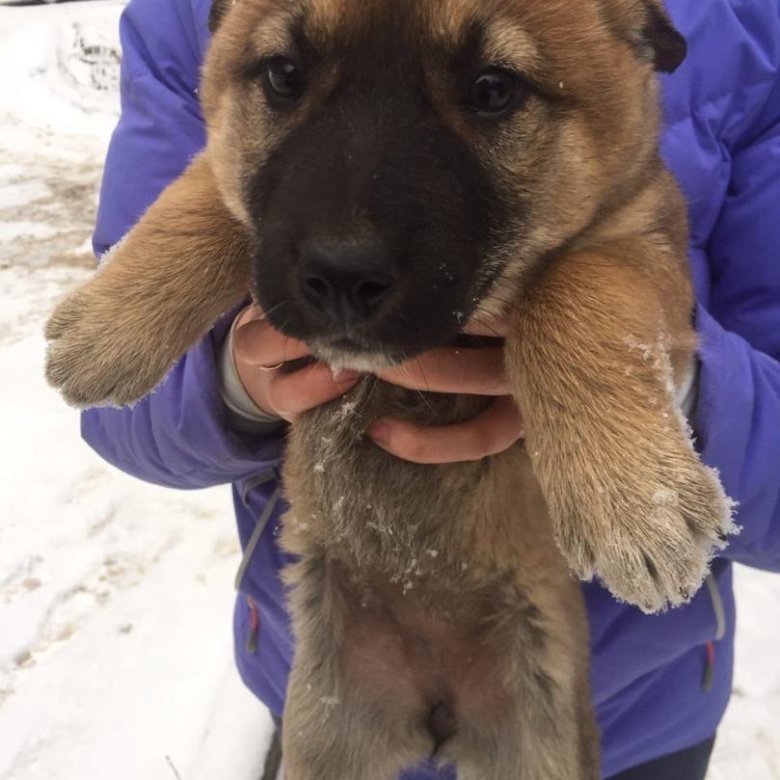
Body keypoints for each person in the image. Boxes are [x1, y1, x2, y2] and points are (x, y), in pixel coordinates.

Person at [82, 0, 780, 777]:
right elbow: (108, 391)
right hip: (332, 659)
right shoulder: (187, 17)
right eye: (286, 77)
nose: (350, 233)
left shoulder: (745, 30)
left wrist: (657, 388)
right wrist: (235, 383)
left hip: (631, 712)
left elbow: (630, 228)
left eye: (491, 92)